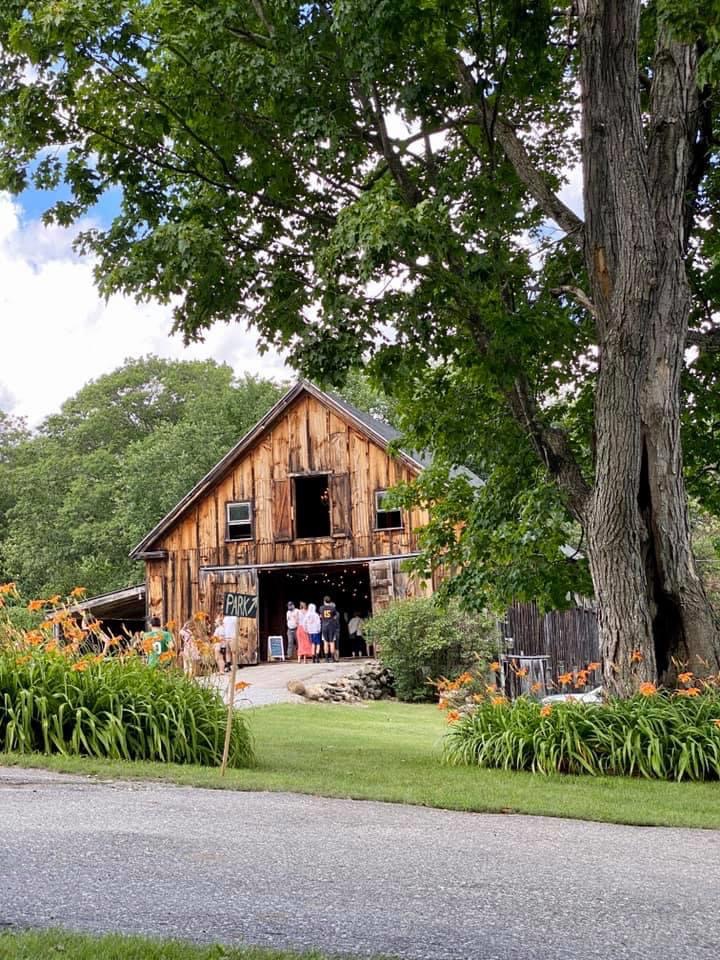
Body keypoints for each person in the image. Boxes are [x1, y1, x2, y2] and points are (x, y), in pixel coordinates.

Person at [318, 595, 340, 664]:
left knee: (325, 642)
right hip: (331, 627)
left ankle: (326, 658)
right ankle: (332, 658)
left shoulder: (321, 608)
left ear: (324, 601)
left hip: (324, 626)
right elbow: (335, 617)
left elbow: (320, 616)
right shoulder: (333, 608)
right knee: (332, 642)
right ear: (330, 601)